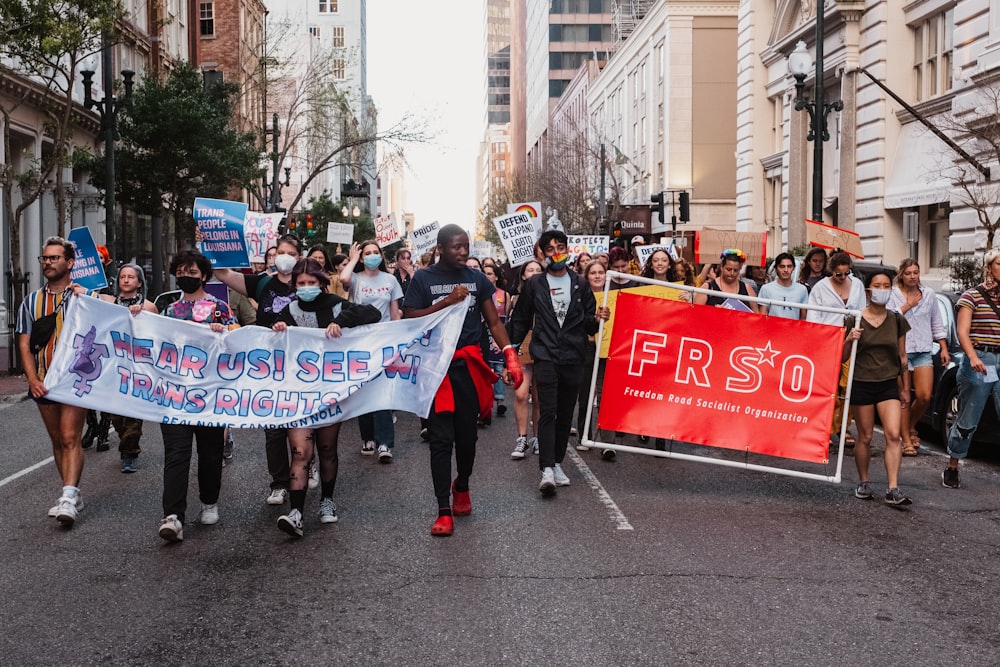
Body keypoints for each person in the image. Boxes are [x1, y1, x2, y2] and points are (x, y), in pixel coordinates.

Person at [403, 224, 523, 537]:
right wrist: (446, 302)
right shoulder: (423, 279)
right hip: (436, 369)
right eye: (456, 247)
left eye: (466, 246)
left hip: (468, 368)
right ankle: (443, 509)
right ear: (440, 248)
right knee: (441, 440)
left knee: (467, 439)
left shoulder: (476, 278)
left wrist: (510, 354)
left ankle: (463, 484)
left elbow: (494, 321)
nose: (463, 252)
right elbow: (409, 319)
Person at [271, 259, 382, 537]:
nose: (306, 288)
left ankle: (326, 501)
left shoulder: (335, 303)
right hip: (299, 393)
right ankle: (296, 512)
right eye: (301, 283)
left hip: (331, 392)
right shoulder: (290, 309)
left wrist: (340, 321)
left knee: (327, 449)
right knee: (300, 452)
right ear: (294, 285)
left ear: (321, 282)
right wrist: (278, 329)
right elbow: (263, 333)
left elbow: (373, 314)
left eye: (311, 283)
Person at [508, 229, 609, 496]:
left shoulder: (581, 283)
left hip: (574, 355)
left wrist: (598, 318)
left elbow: (588, 323)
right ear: (542, 253)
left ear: (568, 249)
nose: (556, 253)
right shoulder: (534, 284)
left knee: (566, 413)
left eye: (560, 247)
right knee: (549, 410)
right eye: (550, 248)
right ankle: (547, 469)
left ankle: (557, 462)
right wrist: (510, 351)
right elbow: (520, 319)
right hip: (546, 355)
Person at [157, 250, 238, 542]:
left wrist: (223, 331)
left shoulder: (219, 307)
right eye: (181, 271)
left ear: (203, 275)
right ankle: (173, 515)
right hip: (176, 395)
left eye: (192, 272)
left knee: (210, 452)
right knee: (176, 454)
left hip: (210, 395)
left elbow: (237, 343)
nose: (186, 277)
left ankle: (209, 501)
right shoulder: (168, 311)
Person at [214, 234, 301, 506]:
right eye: (278, 252)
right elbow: (222, 272)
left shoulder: (309, 284)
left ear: (299, 256)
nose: (282, 257)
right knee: (274, 429)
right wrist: (211, 239)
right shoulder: (262, 283)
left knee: (301, 424)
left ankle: (305, 465)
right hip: (269, 368)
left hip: (301, 367)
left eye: (289, 252)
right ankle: (279, 483)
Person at [15, 237, 97, 526]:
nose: (48, 263)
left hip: (75, 380)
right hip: (44, 381)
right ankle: (72, 493)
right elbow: (24, 345)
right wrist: (33, 379)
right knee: (56, 441)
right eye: (45, 258)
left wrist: (89, 296)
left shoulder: (85, 299)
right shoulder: (32, 301)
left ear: (70, 263)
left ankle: (67, 496)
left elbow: (117, 312)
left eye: (54, 258)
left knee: (70, 437)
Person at [843, 270, 912, 506]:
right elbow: (842, 357)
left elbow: (902, 357)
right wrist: (850, 339)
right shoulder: (855, 318)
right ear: (868, 291)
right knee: (866, 436)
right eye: (877, 286)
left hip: (888, 383)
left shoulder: (896, 320)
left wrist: (905, 389)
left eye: (886, 286)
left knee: (893, 434)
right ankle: (863, 482)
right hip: (862, 382)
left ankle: (893, 488)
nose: (882, 290)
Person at [942, 248, 1000, 489]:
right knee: (968, 418)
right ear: (989, 268)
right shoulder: (972, 296)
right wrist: (973, 356)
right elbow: (963, 332)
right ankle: (952, 466)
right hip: (980, 360)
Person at [340, 240, 403, 462]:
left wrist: (398, 343)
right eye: (368, 253)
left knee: (382, 393)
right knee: (363, 391)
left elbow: (394, 314)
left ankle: (385, 443)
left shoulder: (390, 280)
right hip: (359, 342)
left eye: (376, 252)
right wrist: (354, 259)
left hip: (384, 342)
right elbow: (344, 279)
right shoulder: (356, 279)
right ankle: (367, 437)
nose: (373, 256)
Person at [888, 259, 949, 456]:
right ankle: (905, 439)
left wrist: (944, 347)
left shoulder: (929, 294)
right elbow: (888, 319)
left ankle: (910, 426)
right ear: (901, 275)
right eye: (908, 273)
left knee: (923, 396)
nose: (913, 276)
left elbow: (936, 322)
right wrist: (907, 305)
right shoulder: (894, 294)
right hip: (900, 351)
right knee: (905, 397)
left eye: (916, 272)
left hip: (923, 350)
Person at [100, 263, 158, 473]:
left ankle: (130, 453)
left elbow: (158, 335)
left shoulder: (149, 307)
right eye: (122, 276)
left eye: (130, 277)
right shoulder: (109, 304)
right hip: (114, 367)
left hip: (137, 367)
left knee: (132, 414)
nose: (125, 280)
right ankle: (126, 443)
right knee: (115, 414)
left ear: (139, 282)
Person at [807, 252, 866, 447]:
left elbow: (863, 311)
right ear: (831, 271)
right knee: (827, 386)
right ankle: (822, 428)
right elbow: (814, 316)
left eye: (845, 273)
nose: (842, 278)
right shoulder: (820, 288)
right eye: (838, 274)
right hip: (829, 341)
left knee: (848, 385)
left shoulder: (856, 285)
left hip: (852, 339)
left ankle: (843, 427)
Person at [508, 260, 543, 459]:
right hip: (523, 346)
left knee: (539, 397)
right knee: (521, 394)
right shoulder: (515, 299)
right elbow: (513, 325)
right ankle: (522, 438)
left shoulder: (549, 294)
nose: (535, 273)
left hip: (543, 347)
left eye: (539, 270)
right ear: (523, 275)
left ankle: (537, 437)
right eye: (531, 270)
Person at [575, 260, 606, 451]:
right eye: (593, 273)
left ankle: (606, 441)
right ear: (587, 277)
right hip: (586, 348)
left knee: (604, 396)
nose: (597, 276)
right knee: (585, 396)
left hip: (608, 351)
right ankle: (583, 436)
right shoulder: (580, 298)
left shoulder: (615, 296)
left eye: (600, 272)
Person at [483, 263, 510, 419]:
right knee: (486, 368)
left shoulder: (503, 294)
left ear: (496, 276)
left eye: (490, 273)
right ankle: (485, 403)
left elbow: (505, 317)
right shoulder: (482, 293)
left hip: (498, 330)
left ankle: (500, 399)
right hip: (484, 330)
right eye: (485, 273)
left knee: (499, 368)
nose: (487, 276)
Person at [757, 252, 808, 320]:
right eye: (782, 266)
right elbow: (762, 316)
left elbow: (803, 317)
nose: (786, 270)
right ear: (776, 268)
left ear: (793, 268)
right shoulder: (766, 288)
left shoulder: (802, 289)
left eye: (789, 266)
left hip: (794, 329)